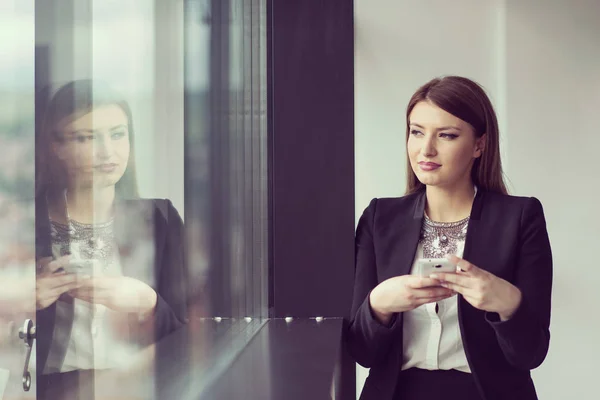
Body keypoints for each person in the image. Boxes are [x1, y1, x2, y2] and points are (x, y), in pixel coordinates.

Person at [346, 76, 552, 400]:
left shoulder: (521, 218)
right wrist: (380, 303)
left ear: (479, 145)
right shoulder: (378, 218)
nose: (426, 149)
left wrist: (505, 301)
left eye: (447, 135)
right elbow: (362, 352)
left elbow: (531, 354)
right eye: (416, 132)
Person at [34, 79, 188, 399]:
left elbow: (197, 335)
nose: (108, 151)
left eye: (118, 134)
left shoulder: (160, 219)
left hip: (140, 388)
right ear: (56, 147)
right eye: (87, 137)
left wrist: (148, 302)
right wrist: (25, 297)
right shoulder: (27, 221)